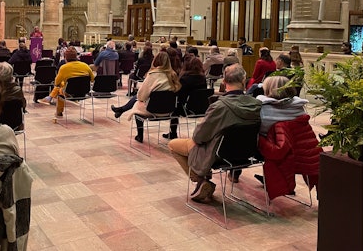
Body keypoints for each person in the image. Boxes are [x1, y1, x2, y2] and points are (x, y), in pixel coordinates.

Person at [167, 64, 261, 203]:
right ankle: (202, 181)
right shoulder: (257, 104)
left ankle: (200, 180)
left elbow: (199, 136)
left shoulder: (219, 106)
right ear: (243, 81)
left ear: (224, 82)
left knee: (173, 144)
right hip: (246, 152)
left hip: (218, 153)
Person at [111, 51, 180, 143]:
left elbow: (141, 96)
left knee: (137, 105)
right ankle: (173, 133)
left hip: (153, 109)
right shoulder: (173, 75)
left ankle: (140, 135)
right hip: (170, 109)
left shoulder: (153, 75)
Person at [41, 48, 94, 119]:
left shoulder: (64, 67)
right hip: (84, 91)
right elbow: (92, 79)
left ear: (65, 58)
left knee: (59, 88)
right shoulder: (85, 65)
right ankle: (49, 98)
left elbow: (56, 82)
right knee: (62, 86)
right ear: (76, 57)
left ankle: (58, 111)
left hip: (69, 92)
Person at [163, 56, 207, 139]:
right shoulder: (203, 78)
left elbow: (180, 95)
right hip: (202, 108)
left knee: (174, 108)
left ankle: (173, 133)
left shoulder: (184, 78)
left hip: (187, 109)